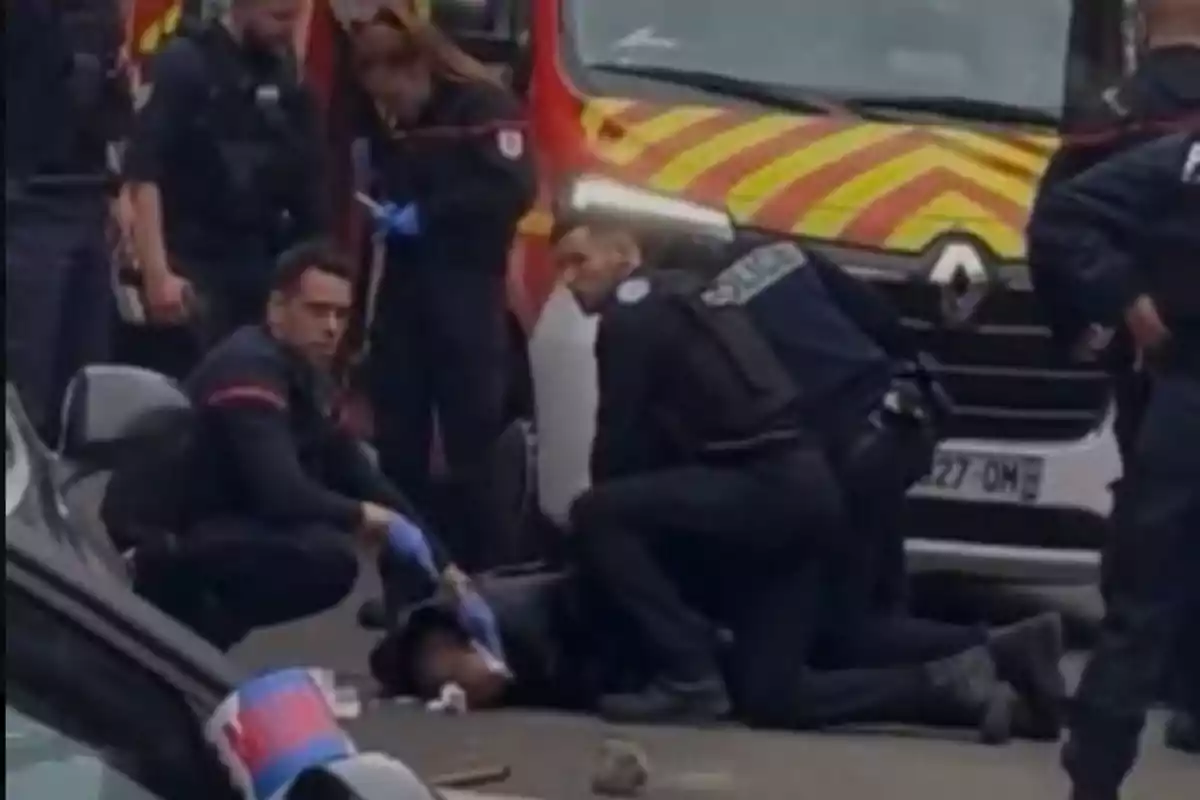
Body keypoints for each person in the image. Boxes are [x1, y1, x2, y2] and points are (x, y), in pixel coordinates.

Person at [551, 216, 1067, 733]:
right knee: (841, 633)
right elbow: (883, 324)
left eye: (581, 261)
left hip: (836, 459)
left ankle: (989, 662)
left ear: (635, 250)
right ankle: (1002, 666)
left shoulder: (687, 304)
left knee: (840, 632)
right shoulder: (778, 250)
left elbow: (630, 450)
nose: (571, 279)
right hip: (896, 426)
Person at [122, 242, 487, 651]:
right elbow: (283, 494)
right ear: (277, 309)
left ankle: (198, 642)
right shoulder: (249, 368)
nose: (331, 327)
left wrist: (446, 566)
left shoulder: (303, 375)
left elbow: (361, 476)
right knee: (323, 557)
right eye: (317, 311)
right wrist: (372, 519)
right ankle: (187, 633)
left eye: (341, 314)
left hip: (214, 520)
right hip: (164, 533)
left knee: (326, 545)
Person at [1027, 0, 1200, 753]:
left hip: (1162, 365)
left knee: (1152, 541)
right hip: (1176, 361)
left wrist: (1102, 320)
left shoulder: (1111, 112)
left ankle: (1110, 737)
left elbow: (1057, 225)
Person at [368, 565, 1067, 746]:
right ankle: (998, 663)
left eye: (439, 676)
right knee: (844, 638)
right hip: (713, 605)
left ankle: (974, 679)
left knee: (784, 694)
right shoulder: (492, 627)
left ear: (447, 640)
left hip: (698, 626)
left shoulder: (513, 620)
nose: (449, 692)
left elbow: (603, 644)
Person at [345, 2, 536, 567]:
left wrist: (428, 216)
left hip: (467, 292)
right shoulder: (403, 120)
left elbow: (511, 191)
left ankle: (485, 578)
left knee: (472, 449)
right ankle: (408, 582)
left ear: (418, 68)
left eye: (394, 93)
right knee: (398, 449)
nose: (390, 108)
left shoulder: (486, 108)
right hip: (406, 291)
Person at [123, 0, 329, 368]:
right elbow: (144, 172)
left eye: (292, 20)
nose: (285, 31)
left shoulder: (288, 81)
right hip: (194, 266)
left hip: (260, 267)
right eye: (278, 17)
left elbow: (308, 189)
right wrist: (156, 274)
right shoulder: (187, 62)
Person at [5, 0, 130, 442]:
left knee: (87, 386)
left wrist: (116, 188)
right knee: (24, 385)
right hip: (26, 205)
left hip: (87, 197)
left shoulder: (102, 14)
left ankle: (69, 502)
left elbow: (113, 105)